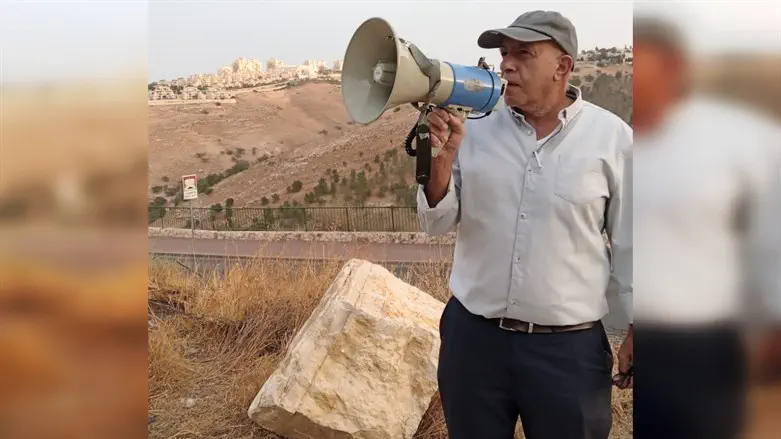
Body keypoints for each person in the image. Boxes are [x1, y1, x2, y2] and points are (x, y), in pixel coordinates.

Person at [416, 10, 633, 439]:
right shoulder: (472, 129)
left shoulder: (613, 139)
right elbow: (434, 221)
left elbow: (634, 242)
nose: (506, 64)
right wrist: (440, 159)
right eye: (504, 54)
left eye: (523, 54)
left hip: (568, 353)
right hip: (473, 342)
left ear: (563, 66)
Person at [631, 15, 781, 439]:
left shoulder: (737, 140)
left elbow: (771, 235)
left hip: (706, 345)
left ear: (673, 66)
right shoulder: (625, 145)